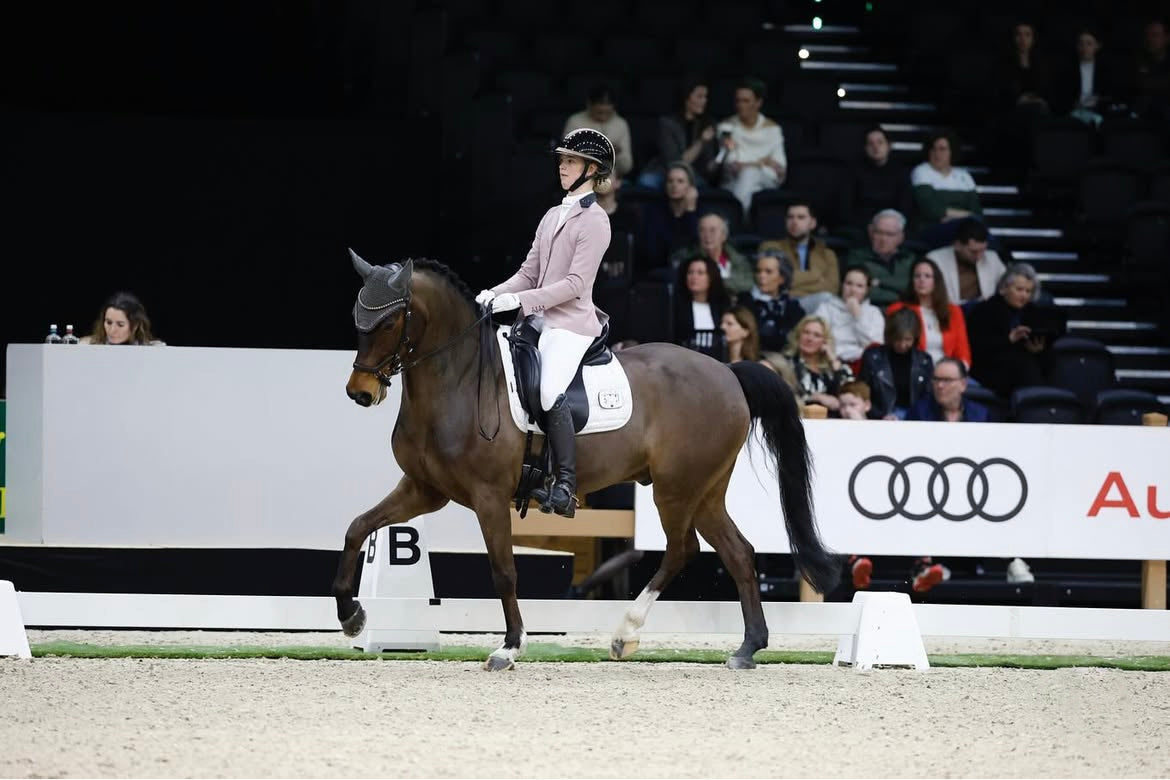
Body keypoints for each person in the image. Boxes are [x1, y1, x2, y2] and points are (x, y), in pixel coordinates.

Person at [474, 128, 615, 518]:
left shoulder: (596, 221)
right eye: (562, 160)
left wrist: (520, 301)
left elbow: (575, 285)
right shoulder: (553, 215)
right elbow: (529, 272)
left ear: (591, 169)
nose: (562, 167)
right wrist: (494, 292)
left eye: (570, 161)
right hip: (537, 320)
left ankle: (565, 485)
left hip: (571, 324)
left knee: (551, 390)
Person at [967, 263, 1065, 398]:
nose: (1024, 295)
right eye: (1019, 289)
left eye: (1028, 291)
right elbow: (978, 348)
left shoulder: (1032, 312)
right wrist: (1009, 339)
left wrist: (1038, 350)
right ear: (1003, 288)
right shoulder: (984, 311)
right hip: (991, 369)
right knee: (1023, 365)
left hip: (1026, 368)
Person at [716, 77, 787, 215]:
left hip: (766, 180)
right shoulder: (726, 127)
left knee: (750, 173)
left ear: (758, 103)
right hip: (733, 181)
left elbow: (780, 169)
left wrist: (748, 165)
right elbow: (731, 165)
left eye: (746, 101)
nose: (740, 105)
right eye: (738, 100)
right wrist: (763, 162)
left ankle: (737, 218)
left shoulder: (773, 129)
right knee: (748, 178)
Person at [886, 258, 971, 369]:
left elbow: (963, 353)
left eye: (927, 276)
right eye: (917, 276)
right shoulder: (898, 309)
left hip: (947, 372)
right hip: (912, 370)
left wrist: (957, 372)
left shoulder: (953, 311)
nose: (922, 280)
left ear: (936, 281)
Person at [637, 78, 719, 190]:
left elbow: (709, 167)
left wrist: (723, 153)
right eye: (699, 97)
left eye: (705, 97)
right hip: (666, 172)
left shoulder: (708, 124)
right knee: (647, 181)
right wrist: (701, 142)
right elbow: (675, 164)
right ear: (687, 98)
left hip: (694, 175)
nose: (704, 101)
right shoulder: (668, 124)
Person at [757, 201, 840, 311]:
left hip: (816, 305)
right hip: (780, 303)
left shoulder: (827, 254)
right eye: (790, 217)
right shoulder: (771, 247)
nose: (794, 222)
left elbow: (832, 288)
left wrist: (795, 288)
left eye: (801, 217)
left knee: (828, 300)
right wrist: (815, 276)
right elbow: (773, 280)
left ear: (812, 223)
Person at [910, 129, 983, 249]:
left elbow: (977, 211)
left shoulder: (964, 176)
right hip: (931, 229)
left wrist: (950, 216)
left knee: (977, 231)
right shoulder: (922, 171)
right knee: (973, 231)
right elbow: (931, 210)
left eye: (942, 149)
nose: (937, 153)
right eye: (933, 149)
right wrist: (966, 215)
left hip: (964, 229)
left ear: (952, 152)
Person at [858, 308, 934, 420]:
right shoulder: (873, 358)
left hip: (915, 418)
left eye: (908, 339)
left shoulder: (924, 360)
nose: (903, 344)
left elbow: (929, 397)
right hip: (881, 418)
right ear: (890, 336)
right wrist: (881, 416)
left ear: (915, 337)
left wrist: (917, 416)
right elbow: (862, 394)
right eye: (898, 339)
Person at [843, 209, 918, 308]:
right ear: (870, 232)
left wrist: (878, 282)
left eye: (890, 234)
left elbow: (913, 290)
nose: (883, 239)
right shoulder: (857, 257)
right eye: (879, 232)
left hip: (905, 312)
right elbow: (856, 291)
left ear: (901, 237)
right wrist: (899, 293)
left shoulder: (910, 259)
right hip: (867, 310)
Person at [813, 265, 885, 367]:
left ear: (867, 290)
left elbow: (875, 346)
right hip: (831, 359)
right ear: (842, 285)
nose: (853, 290)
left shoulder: (873, 312)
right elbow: (818, 337)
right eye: (849, 283)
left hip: (863, 363)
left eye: (859, 286)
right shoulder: (826, 307)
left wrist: (858, 316)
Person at [735, 249, 805, 353]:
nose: (761, 276)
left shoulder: (793, 307)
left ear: (782, 278)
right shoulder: (744, 302)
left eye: (768, 272)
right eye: (758, 271)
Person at [927, 217, 1007, 308]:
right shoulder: (935, 260)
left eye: (982, 250)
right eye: (973, 252)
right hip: (946, 311)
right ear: (957, 245)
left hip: (984, 311)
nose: (979, 256)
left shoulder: (992, 257)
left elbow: (1008, 285)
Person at [782, 314, 854, 413]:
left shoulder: (832, 367)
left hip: (834, 418)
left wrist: (832, 359)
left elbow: (851, 392)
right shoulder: (786, 364)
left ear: (825, 341)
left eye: (817, 335)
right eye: (806, 332)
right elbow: (783, 397)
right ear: (798, 336)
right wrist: (816, 397)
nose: (810, 338)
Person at [671, 212, 753, 297]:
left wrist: (712, 282)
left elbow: (747, 284)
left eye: (712, 230)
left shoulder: (737, 259)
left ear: (724, 236)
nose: (707, 235)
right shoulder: (688, 259)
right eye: (702, 230)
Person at [849, 126, 913, 229]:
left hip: (892, 226)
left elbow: (906, 206)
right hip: (862, 226)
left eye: (880, 142)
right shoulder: (854, 172)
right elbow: (847, 207)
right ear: (865, 148)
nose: (875, 147)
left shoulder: (901, 172)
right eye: (870, 143)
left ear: (889, 146)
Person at [642, 162, 700, 275]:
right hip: (659, 272)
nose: (674, 185)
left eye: (680, 181)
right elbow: (653, 253)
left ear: (691, 187)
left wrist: (690, 213)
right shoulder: (654, 212)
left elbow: (696, 247)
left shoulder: (699, 212)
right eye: (670, 181)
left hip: (691, 272)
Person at [564, 85, 634, 178]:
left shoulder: (621, 124)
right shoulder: (575, 121)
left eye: (608, 105)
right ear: (589, 104)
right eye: (600, 106)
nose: (604, 109)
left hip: (610, 179)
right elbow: (567, 158)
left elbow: (627, 166)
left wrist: (616, 156)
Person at [673, 255, 730, 360]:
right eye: (690, 272)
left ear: (711, 278)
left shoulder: (721, 307)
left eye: (700, 273)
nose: (694, 277)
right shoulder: (675, 307)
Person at [81, 291, 164, 346]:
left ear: (135, 325)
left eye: (120, 325)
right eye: (109, 323)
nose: (112, 330)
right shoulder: (88, 346)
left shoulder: (153, 351)